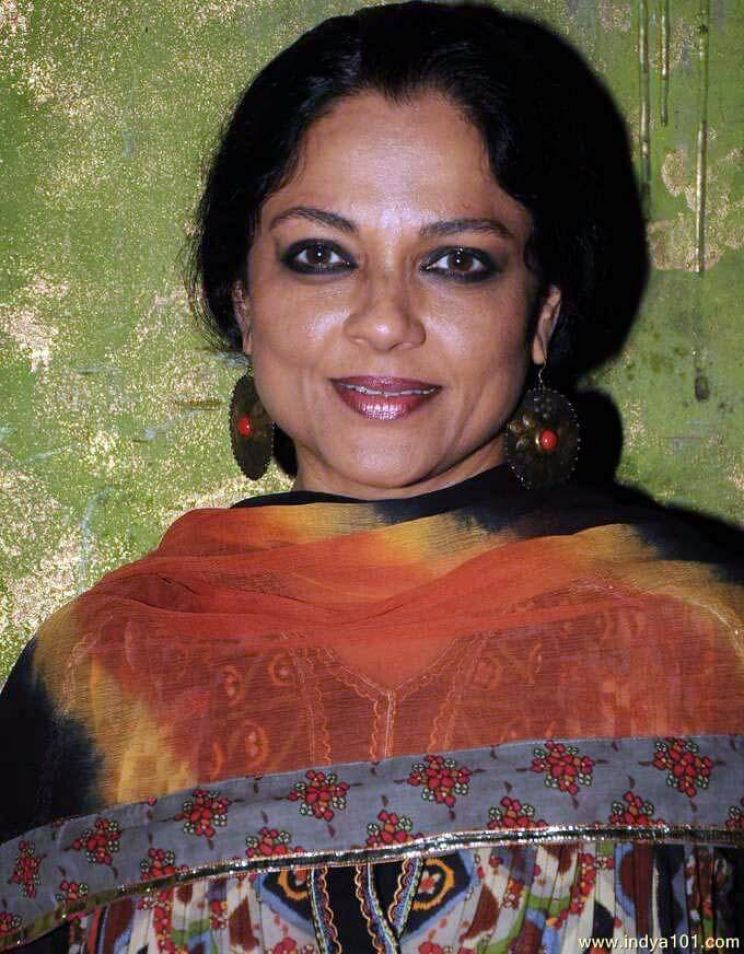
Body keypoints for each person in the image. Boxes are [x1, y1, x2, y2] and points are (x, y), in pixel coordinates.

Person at [1, 2, 741, 951]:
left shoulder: (704, 643)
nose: (385, 321)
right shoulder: (98, 677)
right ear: (244, 299)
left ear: (543, 314)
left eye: (457, 261)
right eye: (321, 256)